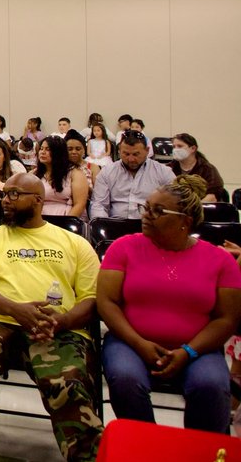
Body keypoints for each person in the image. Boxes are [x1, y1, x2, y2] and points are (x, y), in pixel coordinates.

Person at [0, 173, 102, 462]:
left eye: (15, 194)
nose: (6, 200)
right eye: (4, 194)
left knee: (69, 382)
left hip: (56, 327)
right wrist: (18, 310)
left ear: (39, 200)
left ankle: (86, 457)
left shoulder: (75, 243)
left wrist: (61, 322)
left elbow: (92, 300)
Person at [98, 175, 241, 434]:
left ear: (185, 222)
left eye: (158, 211)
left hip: (199, 348)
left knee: (210, 386)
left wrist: (188, 351)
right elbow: (107, 302)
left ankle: (200, 452)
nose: (147, 215)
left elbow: (226, 319)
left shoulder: (220, 260)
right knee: (126, 379)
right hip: (129, 341)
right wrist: (139, 344)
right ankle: (148, 445)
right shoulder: (123, 248)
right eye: (147, 207)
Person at [90, 130, 175, 220]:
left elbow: (174, 204)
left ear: (147, 151)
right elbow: (98, 205)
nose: (131, 159)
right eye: (126, 154)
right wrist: (104, 225)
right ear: (119, 151)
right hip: (115, 225)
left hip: (151, 225)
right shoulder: (107, 172)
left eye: (136, 154)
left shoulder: (164, 172)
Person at [37, 135, 89, 219]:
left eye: (48, 149)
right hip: (39, 220)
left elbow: (80, 204)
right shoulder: (34, 174)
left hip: (67, 220)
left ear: (58, 153)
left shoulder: (75, 173)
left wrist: (65, 223)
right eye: (41, 148)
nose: (42, 152)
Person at [168, 134, 226, 202]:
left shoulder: (208, 169)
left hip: (201, 208)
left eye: (180, 146)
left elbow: (212, 197)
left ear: (193, 148)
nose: (175, 149)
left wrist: (194, 209)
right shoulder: (168, 168)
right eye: (174, 147)